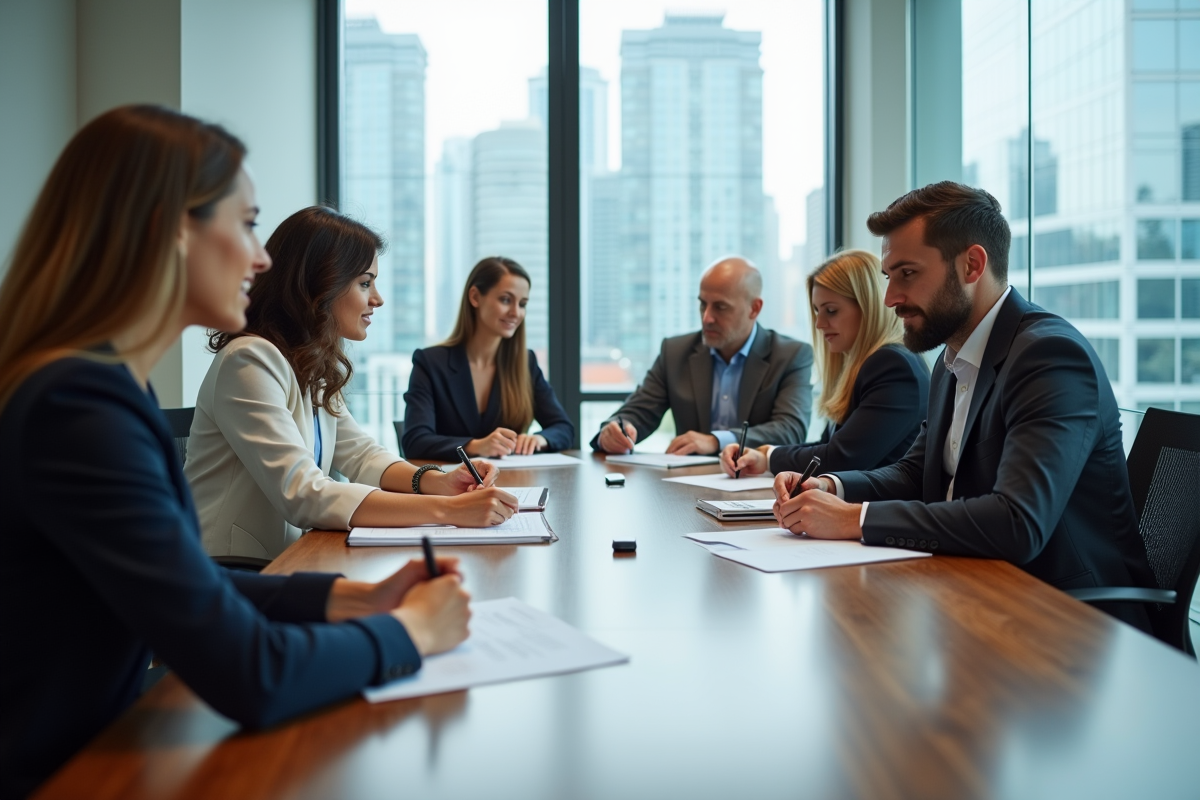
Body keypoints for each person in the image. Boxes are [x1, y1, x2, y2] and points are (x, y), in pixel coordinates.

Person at [0, 105, 471, 800]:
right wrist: (409, 634)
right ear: (168, 231)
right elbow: (253, 674)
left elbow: (189, 584)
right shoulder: (80, 410)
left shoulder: (93, 388)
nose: (262, 257)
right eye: (247, 223)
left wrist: (354, 598)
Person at [772, 182, 1154, 629]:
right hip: (978, 593)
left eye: (907, 274)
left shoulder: (1049, 357)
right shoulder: (953, 360)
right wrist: (833, 488)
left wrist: (854, 519)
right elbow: (917, 473)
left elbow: (1018, 521)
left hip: (1069, 621)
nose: (891, 297)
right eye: (888, 276)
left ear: (972, 264)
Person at [187, 207, 517, 560]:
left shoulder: (309, 363)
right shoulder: (249, 360)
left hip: (289, 559)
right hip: (228, 570)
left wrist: (440, 482)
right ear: (321, 283)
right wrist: (449, 512)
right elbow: (304, 493)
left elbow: (361, 455)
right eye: (365, 283)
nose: (377, 298)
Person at [720, 250, 929, 478]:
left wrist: (769, 457)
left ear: (868, 307)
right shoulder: (864, 364)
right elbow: (826, 445)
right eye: (817, 311)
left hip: (879, 511)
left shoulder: (892, 366)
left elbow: (841, 457)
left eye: (831, 310)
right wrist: (762, 455)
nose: (819, 324)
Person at [591, 257, 813, 455]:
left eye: (720, 307)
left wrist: (716, 441)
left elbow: (790, 430)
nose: (707, 318)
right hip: (687, 485)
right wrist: (615, 430)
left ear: (754, 308)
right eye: (702, 304)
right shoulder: (676, 352)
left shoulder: (790, 356)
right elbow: (638, 412)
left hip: (758, 488)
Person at [402, 256, 574, 461]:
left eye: (522, 304)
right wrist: (476, 446)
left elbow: (563, 428)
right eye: (505, 300)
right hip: (449, 488)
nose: (515, 313)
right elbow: (415, 441)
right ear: (475, 297)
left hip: (512, 483)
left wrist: (540, 439)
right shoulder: (430, 363)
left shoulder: (525, 363)